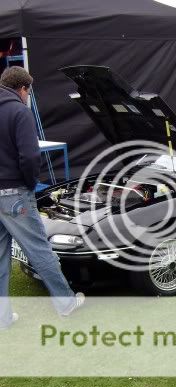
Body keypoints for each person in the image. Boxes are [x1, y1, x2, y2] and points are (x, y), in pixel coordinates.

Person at [0, 66, 84, 330]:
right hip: (14, 194)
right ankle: (66, 303)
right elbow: (30, 155)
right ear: (23, 88)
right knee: (40, 250)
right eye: (28, 92)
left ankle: (2, 318)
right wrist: (28, 184)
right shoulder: (19, 111)